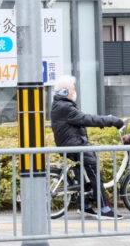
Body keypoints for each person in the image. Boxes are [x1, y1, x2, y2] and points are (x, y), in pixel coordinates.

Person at [50, 74, 124, 218]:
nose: (75, 91)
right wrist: (111, 120)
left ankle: (86, 206)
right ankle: (104, 209)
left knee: (83, 174)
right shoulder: (65, 107)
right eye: (73, 88)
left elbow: (82, 119)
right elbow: (86, 119)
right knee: (94, 172)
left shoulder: (61, 105)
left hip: (72, 144)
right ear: (65, 91)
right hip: (76, 145)